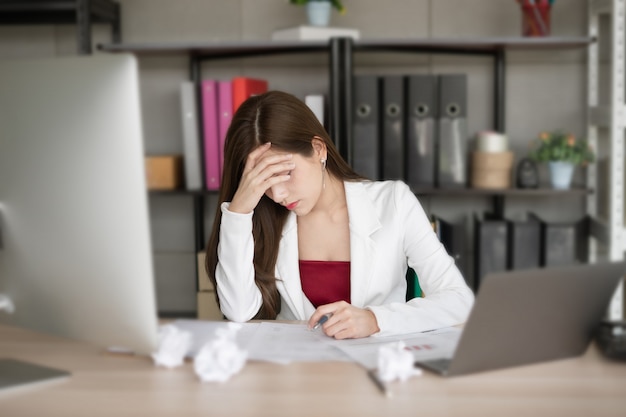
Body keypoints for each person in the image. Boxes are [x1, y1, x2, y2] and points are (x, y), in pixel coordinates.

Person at [205, 90, 474, 339]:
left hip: (376, 370)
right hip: (294, 376)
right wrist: (239, 211)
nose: (277, 195)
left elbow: (458, 299)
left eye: (285, 173)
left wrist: (375, 319)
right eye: (263, 181)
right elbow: (239, 312)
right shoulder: (261, 214)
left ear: (318, 150)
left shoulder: (394, 202)